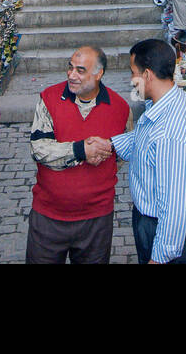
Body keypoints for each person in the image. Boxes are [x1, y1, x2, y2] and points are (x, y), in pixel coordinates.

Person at [87, 39, 186, 264]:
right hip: (152, 220)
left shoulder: (172, 132)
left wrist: (160, 257)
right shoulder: (171, 102)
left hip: (166, 229)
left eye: (134, 73)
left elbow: (175, 204)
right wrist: (111, 145)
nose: (132, 81)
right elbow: (147, 141)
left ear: (148, 75)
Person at [25, 46, 133, 264]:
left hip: (96, 221)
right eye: (70, 68)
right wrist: (80, 151)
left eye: (80, 70)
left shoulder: (120, 108)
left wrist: (100, 156)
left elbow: (121, 154)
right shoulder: (49, 99)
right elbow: (39, 149)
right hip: (48, 217)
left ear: (98, 73)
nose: (71, 75)